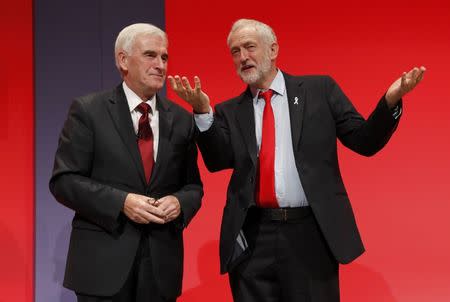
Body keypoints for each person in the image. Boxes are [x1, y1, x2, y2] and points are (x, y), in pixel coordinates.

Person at [168, 18, 425, 302]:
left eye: (249, 47)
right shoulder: (229, 111)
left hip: (310, 233)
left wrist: (390, 101)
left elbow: (365, 141)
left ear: (273, 49)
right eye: (235, 51)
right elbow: (217, 161)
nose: (243, 57)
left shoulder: (319, 91)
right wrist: (203, 113)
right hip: (254, 236)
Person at [49, 23, 203, 302]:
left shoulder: (181, 119)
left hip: (160, 268)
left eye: (164, 57)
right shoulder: (88, 111)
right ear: (123, 60)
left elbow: (193, 186)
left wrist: (180, 203)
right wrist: (122, 202)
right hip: (101, 267)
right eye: (150, 55)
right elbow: (64, 181)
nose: (160, 65)